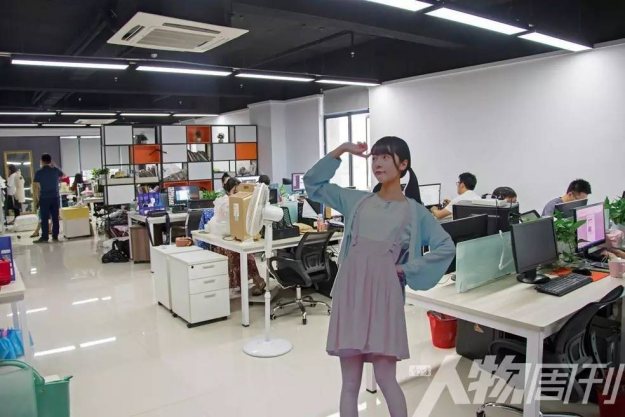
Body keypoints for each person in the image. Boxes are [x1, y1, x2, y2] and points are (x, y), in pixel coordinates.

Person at [304, 136, 454, 417]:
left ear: (403, 164)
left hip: (385, 298)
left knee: (386, 380)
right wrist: (342, 150)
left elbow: (446, 246)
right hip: (350, 296)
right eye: (374, 157)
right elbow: (313, 183)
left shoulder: (415, 212)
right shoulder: (356, 201)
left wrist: (407, 269)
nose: (378, 163)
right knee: (350, 384)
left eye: (385, 157)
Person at [212, 177, 266, 295]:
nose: (238, 194)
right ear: (228, 191)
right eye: (235, 191)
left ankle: (256, 280)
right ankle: (251, 281)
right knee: (236, 253)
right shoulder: (224, 202)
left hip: (240, 235)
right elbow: (223, 220)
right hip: (226, 235)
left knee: (245, 253)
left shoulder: (242, 201)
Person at [33, 154, 64, 243]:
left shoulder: (39, 172)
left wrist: (36, 199)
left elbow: (35, 187)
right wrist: (54, 165)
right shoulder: (55, 170)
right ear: (50, 161)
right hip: (55, 197)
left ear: (42, 161)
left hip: (44, 198)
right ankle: (55, 236)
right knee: (55, 218)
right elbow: (64, 175)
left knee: (44, 218)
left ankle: (45, 237)